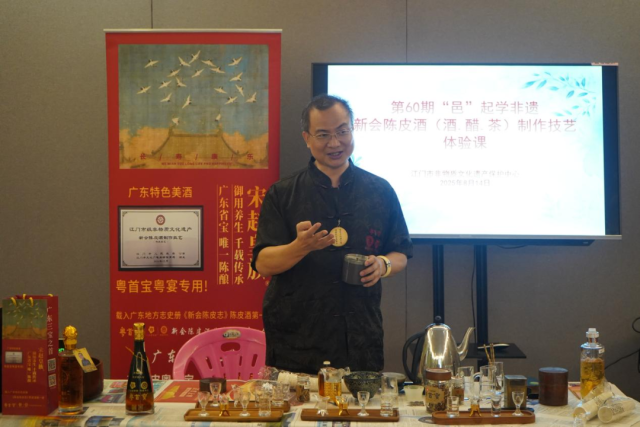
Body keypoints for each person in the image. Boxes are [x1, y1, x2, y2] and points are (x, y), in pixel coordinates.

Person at [251, 94, 413, 374]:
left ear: (352, 129)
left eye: (342, 131)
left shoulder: (380, 190)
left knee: (362, 400)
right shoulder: (284, 192)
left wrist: (382, 264)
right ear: (306, 138)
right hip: (297, 339)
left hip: (361, 336)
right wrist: (300, 246)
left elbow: (400, 252)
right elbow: (263, 263)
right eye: (323, 134)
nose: (335, 143)